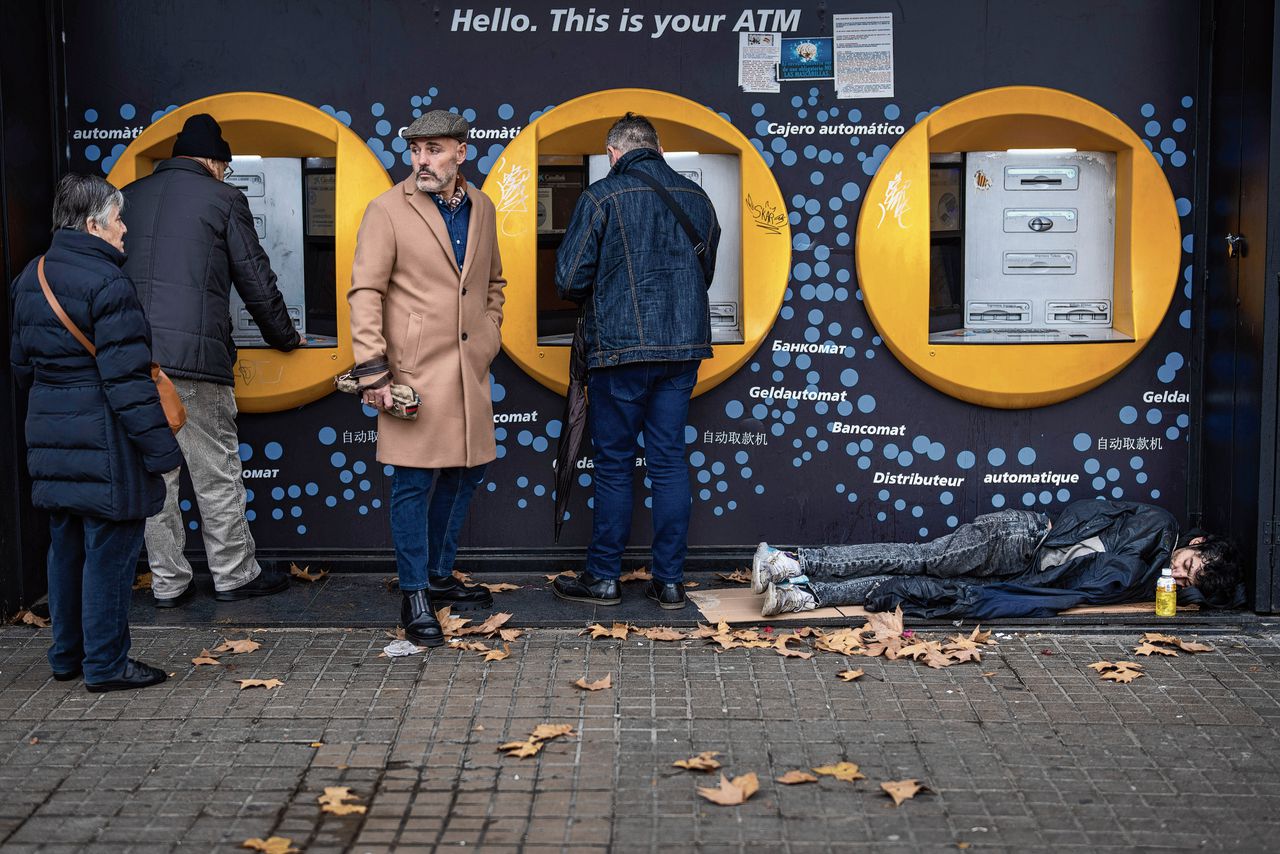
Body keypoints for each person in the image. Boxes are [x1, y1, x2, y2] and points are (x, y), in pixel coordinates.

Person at [10, 174, 184, 691]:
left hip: (51, 434)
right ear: (93, 225)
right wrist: (161, 451)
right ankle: (106, 665)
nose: (125, 229)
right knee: (110, 556)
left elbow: (21, 364)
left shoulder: (30, 275)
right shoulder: (109, 283)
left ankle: (67, 657)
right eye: (119, 219)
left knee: (65, 549)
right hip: (107, 439)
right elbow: (127, 381)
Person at [121, 113, 301, 607]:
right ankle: (234, 574)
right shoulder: (224, 199)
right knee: (215, 469)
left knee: (156, 476)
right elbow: (257, 281)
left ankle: (169, 583)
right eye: (224, 166)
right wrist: (286, 338)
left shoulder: (128, 200)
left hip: (134, 362)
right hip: (194, 363)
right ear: (213, 162)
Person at [348, 109, 506, 646]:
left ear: (462, 152)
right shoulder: (386, 210)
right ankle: (415, 593)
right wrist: (372, 368)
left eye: (435, 149)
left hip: (468, 370)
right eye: (416, 149)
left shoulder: (481, 206)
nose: (422, 160)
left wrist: (489, 334)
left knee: (466, 472)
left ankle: (438, 577)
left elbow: (494, 283)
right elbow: (365, 291)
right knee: (412, 483)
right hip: (411, 373)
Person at [551, 113, 721, 611]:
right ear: (657, 149)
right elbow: (703, 272)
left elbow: (568, 280)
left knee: (614, 465)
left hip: (620, 350)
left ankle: (603, 577)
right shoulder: (698, 199)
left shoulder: (601, 196)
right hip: (683, 348)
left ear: (612, 154)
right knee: (668, 461)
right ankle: (669, 581)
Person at [752, 500, 1244, 619]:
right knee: (918, 559)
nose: (1179, 577)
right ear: (1195, 544)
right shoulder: (1158, 528)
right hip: (1019, 537)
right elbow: (1108, 569)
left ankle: (801, 591)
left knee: (909, 579)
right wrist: (1159, 576)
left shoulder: (1156, 572)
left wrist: (1198, 594)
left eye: (1188, 581)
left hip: (1020, 566)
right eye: (1187, 566)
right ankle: (793, 558)